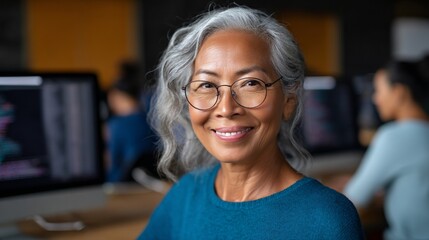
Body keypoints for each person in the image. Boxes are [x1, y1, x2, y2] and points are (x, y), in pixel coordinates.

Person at [139, 6, 363, 239]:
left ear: (288, 100)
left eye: (250, 84)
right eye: (206, 85)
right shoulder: (184, 196)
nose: (226, 109)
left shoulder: (326, 219)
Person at [344, 55, 429, 240]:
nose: (375, 99)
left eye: (379, 91)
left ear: (399, 93)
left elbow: (351, 201)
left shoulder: (393, 136)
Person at [105, 61, 159, 182]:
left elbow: (113, 164)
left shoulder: (116, 125)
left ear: (117, 96)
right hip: (150, 181)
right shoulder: (152, 120)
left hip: (122, 183)